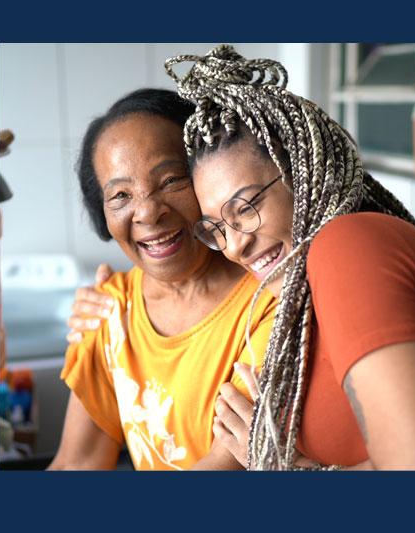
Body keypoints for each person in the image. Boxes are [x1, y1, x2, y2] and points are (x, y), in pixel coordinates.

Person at [72, 45, 415, 470]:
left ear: (304, 174)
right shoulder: (304, 289)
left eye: (246, 207)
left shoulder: (348, 246)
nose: (234, 245)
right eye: (217, 227)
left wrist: (279, 466)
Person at [47, 88, 277, 470]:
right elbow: (76, 464)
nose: (148, 213)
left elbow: (225, 467)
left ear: (210, 176)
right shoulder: (110, 310)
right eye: (120, 195)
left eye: (171, 180)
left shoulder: (268, 301)